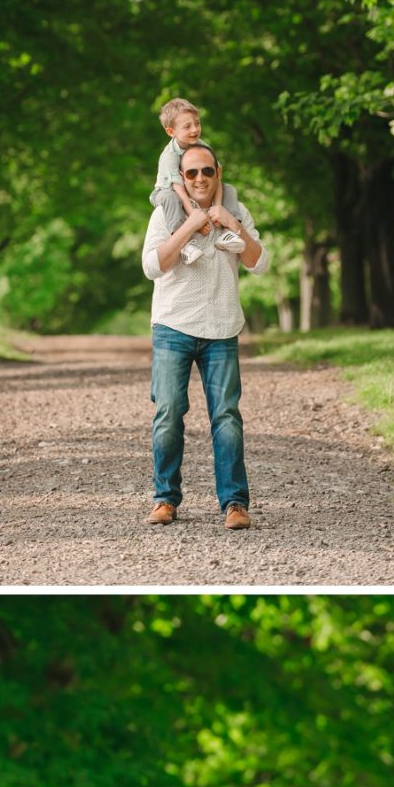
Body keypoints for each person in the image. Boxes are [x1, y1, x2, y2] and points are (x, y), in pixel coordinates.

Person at [140, 141, 266, 530]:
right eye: (191, 172)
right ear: (181, 177)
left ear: (218, 173)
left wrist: (233, 224)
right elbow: (151, 266)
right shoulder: (166, 212)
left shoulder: (236, 210)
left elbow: (260, 263)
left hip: (221, 328)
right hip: (173, 326)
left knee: (226, 416)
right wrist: (190, 226)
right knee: (168, 413)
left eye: (206, 171)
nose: (199, 178)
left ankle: (235, 504)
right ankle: (165, 499)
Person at [151, 98, 245, 265]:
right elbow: (179, 190)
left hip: (191, 189)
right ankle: (185, 244)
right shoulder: (169, 157)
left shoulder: (203, 146)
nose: (195, 129)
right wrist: (196, 218)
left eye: (197, 123)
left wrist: (217, 211)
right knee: (171, 198)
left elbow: (217, 176)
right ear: (171, 132)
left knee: (229, 189)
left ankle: (228, 233)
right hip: (168, 191)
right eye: (187, 126)